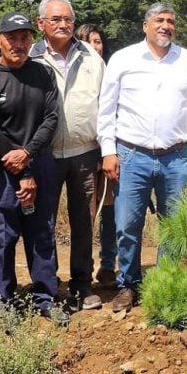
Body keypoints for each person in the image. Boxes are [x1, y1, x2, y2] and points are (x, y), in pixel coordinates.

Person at [98, 2, 187, 311]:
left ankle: (164, 283)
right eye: (159, 20)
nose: (166, 25)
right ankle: (129, 285)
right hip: (132, 155)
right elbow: (107, 108)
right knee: (127, 224)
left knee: (173, 225)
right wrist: (108, 151)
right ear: (145, 26)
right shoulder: (124, 59)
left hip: (175, 157)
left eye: (171, 21)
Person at [0, 12, 63, 324]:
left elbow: (52, 117)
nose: (18, 43)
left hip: (40, 163)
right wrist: (21, 168)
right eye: (11, 37)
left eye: (24, 37)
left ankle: (46, 297)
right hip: (4, 171)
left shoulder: (43, 74)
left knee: (42, 233)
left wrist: (28, 153)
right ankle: (5, 302)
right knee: (5, 236)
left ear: (32, 40)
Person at [30, 0, 105, 311]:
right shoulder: (31, 57)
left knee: (83, 222)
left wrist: (106, 149)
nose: (62, 25)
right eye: (55, 19)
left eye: (68, 20)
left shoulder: (90, 57)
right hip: (43, 155)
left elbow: (105, 103)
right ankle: (47, 288)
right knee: (42, 223)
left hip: (84, 151)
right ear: (41, 24)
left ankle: (82, 283)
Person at [75, 22, 117, 288]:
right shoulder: (75, 74)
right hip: (83, 151)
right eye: (87, 42)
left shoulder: (112, 71)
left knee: (111, 211)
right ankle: (83, 268)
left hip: (109, 150)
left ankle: (108, 264)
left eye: (98, 41)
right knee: (86, 213)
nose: (94, 47)